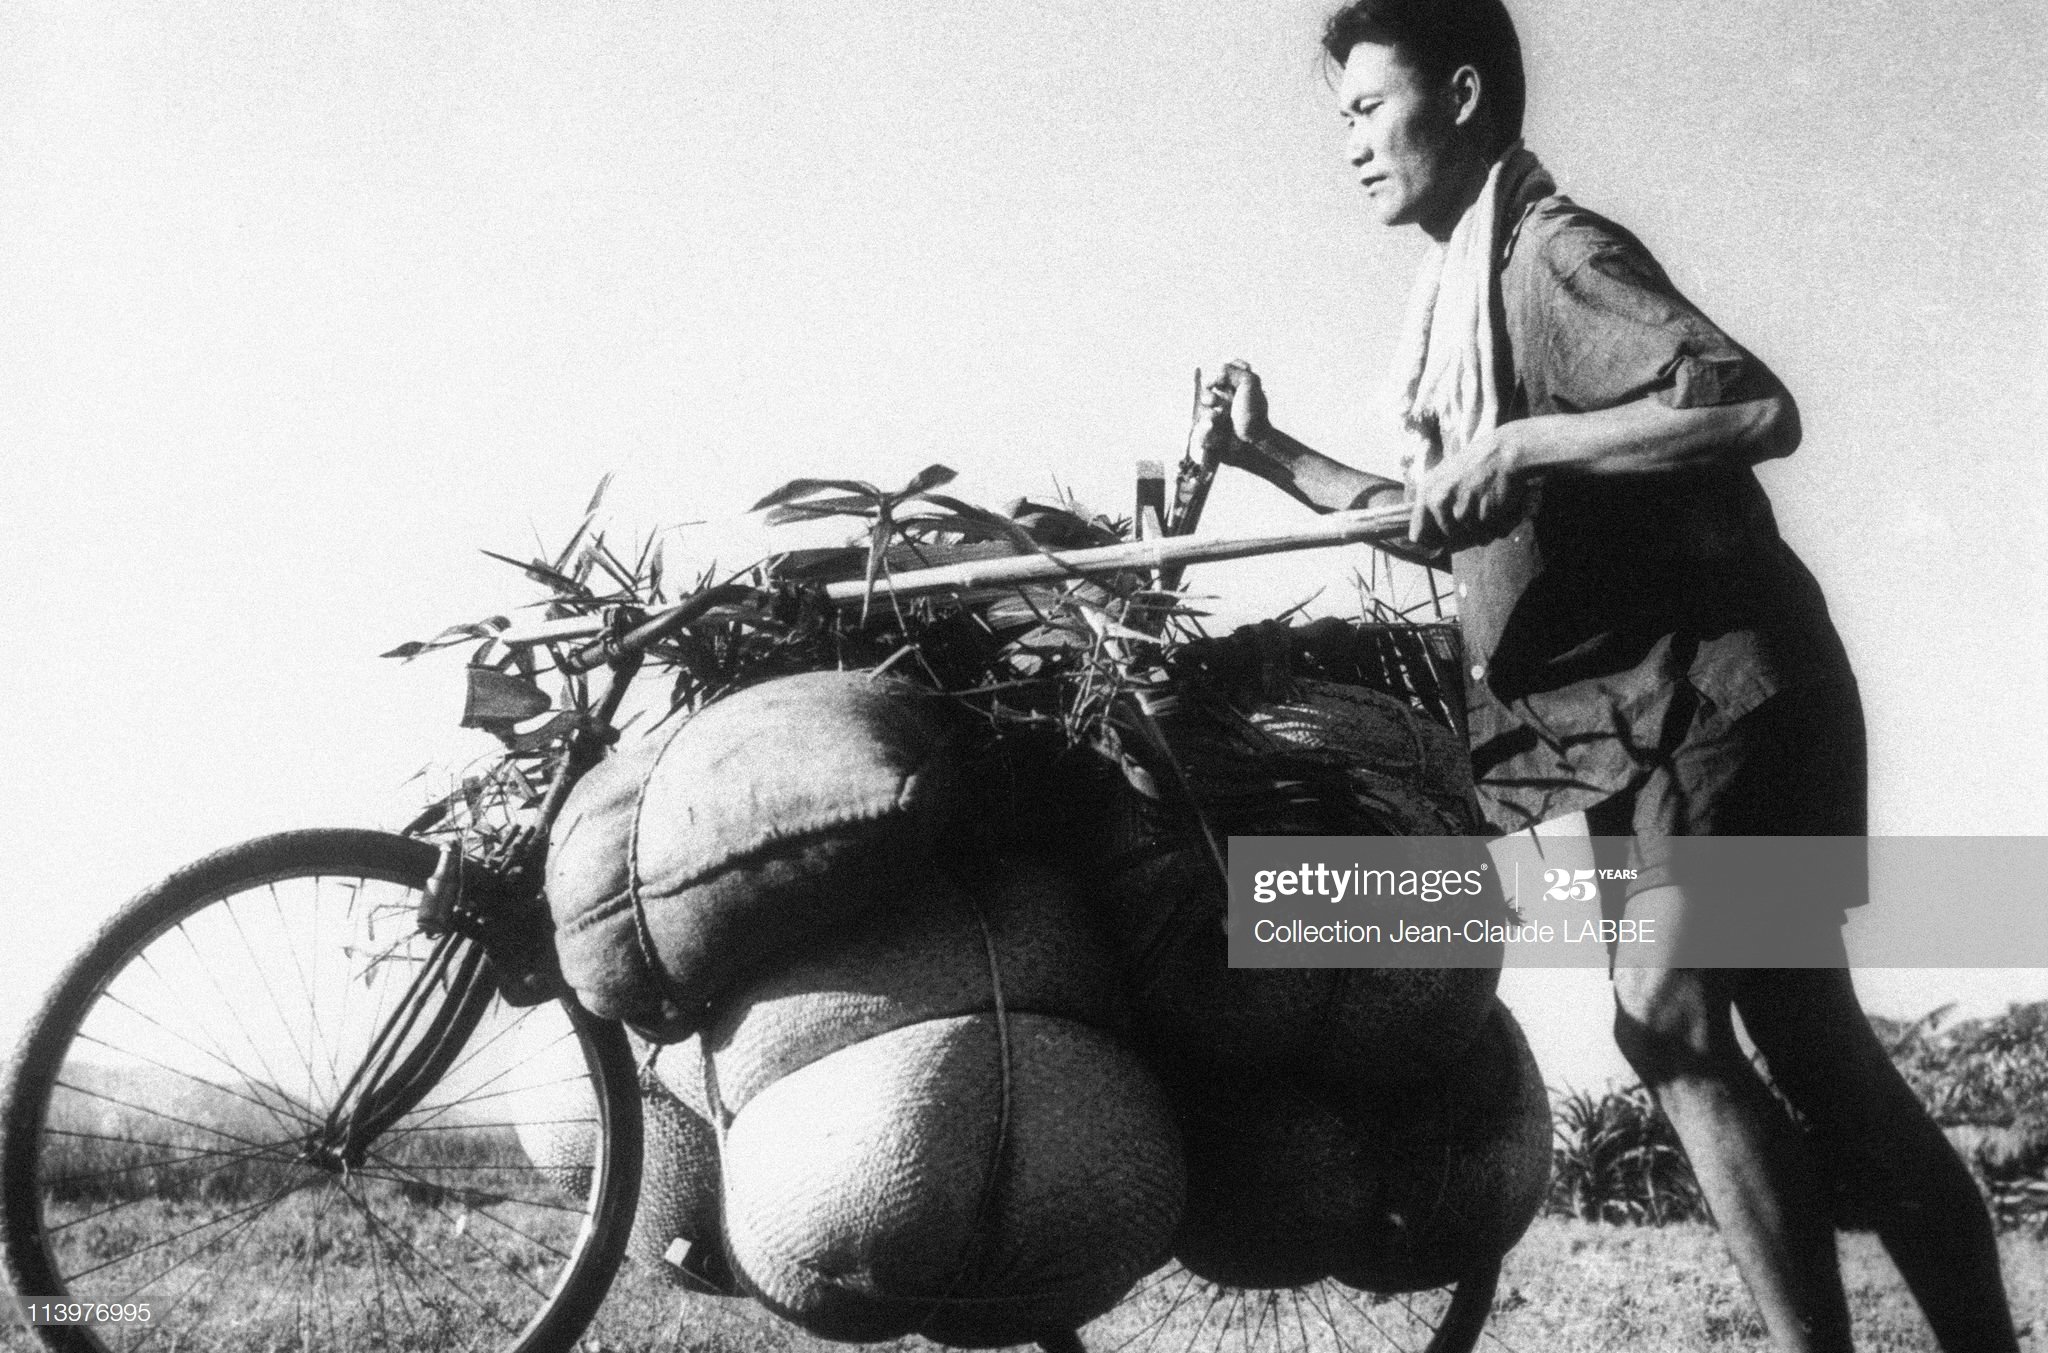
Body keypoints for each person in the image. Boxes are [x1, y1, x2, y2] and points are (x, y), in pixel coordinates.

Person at [1188, 1, 2020, 1348]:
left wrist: (1526, 449)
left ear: (1459, 94)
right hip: (1646, 730)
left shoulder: (1551, 257)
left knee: (1672, 1025)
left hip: (1726, 703)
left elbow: (1751, 402)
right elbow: (1441, 514)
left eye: (1363, 107)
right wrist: (1273, 452)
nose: (1345, 141)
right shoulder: (1465, 292)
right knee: (1803, 1042)